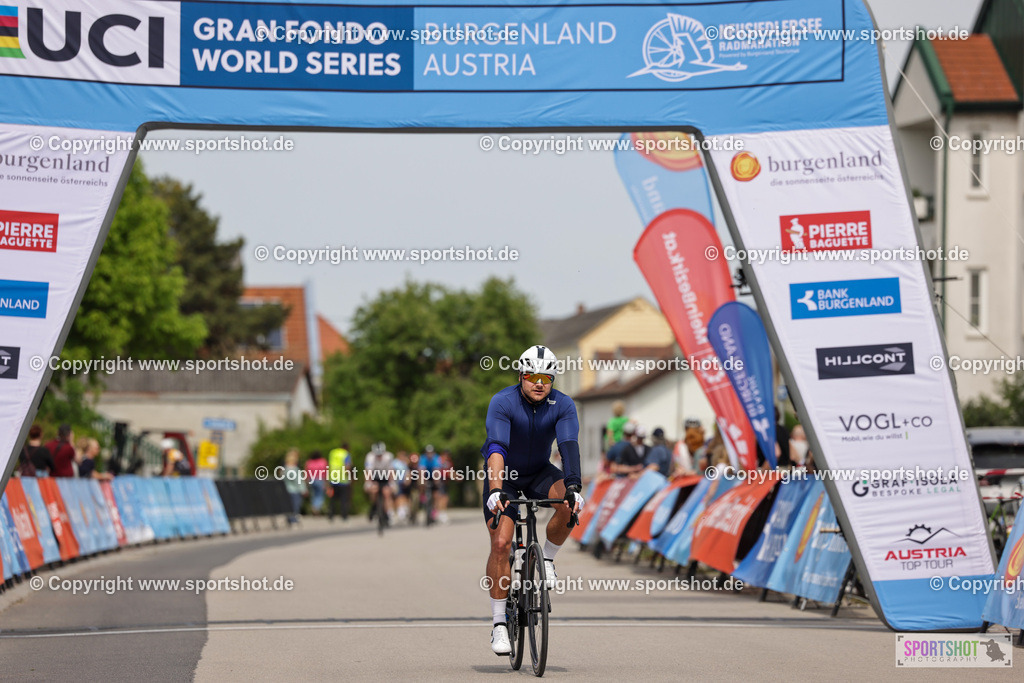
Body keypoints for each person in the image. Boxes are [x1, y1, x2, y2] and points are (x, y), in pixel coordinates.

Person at [483, 345, 584, 655]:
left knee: (570, 506)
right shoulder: (503, 401)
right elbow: (496, 448)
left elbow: (568, 445)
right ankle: (499, 624)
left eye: (546, 377)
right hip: (506, 477)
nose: (539, 383)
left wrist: (573, 485)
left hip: (540, 471)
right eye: (532, 376)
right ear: (521, 376)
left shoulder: (563, 404)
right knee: (501, 544)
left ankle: (548, 559)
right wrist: (497, 489)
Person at [364, 441, 394, 522]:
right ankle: (374, 506)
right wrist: (368, 483)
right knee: (373, 491)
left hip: (385, 476)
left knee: (387, 493)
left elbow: (391, 471)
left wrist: (392, 483)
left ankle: (388, 513)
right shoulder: (370, 457)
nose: (379, 456)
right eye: (377, 455)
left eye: (380, 454)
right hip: (374, 476)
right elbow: (368, 472)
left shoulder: (388, 456)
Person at [327, 441, 352, 521]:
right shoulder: (346, 454)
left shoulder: (333, 452)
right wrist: (350, 476)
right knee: (343, 498)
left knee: (332, 498)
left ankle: (331, 515)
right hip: (343, 479)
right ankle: (344, 515)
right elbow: (347, 466)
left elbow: (329, 464)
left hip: (333, 477)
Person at [283, 448, 307, 525]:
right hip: (295, 490)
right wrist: (303, 489)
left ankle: (289, 518)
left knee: (289, 505)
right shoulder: (295, 469)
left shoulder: (284, 470)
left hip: (287, 490)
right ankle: (293, 518)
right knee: (296, 505)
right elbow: (298, 481)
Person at [392, 451, 412, 522]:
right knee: (399, 496)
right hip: (397, 482)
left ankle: (404, 510)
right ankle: (400, 511)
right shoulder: (394, 463)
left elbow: (407, 472)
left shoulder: (404, 463)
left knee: (405, 496)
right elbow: (392, 472)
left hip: (404, 482)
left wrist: (407, 480)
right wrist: (393, 482)